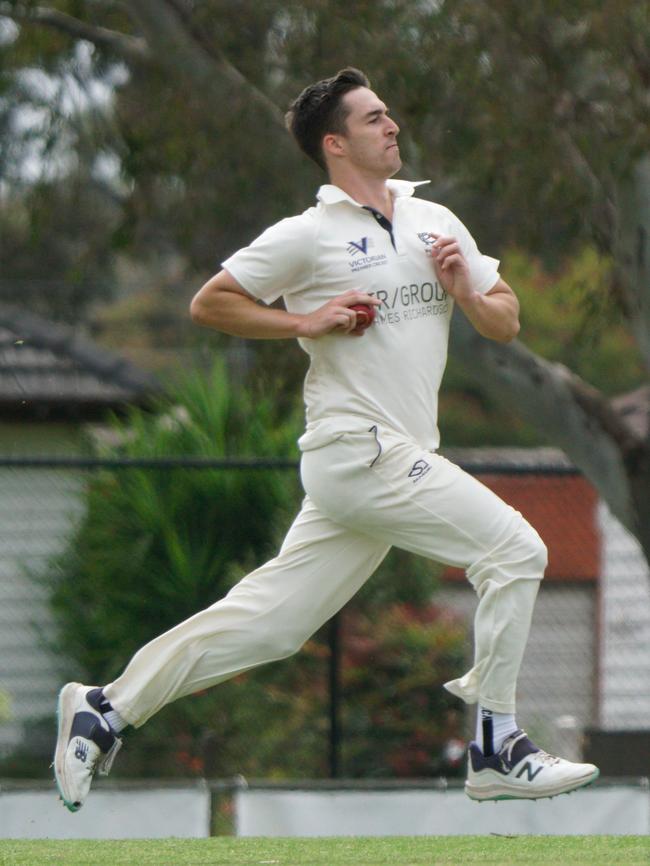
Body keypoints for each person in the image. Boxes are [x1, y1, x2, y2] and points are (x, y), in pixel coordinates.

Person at [53, 68, 599, 811]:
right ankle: (497, 743)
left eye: (389, 115)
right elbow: (211, 303)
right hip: (357, 448)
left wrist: (468, 292)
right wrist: (302, 322)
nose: (393, 126)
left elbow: (506, 319)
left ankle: (106, 708)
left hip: (389, 459)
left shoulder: (434, 219)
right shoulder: (306, 237)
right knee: (519, 549)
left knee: (272, 628)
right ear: (336, 144)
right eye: (375, 119)